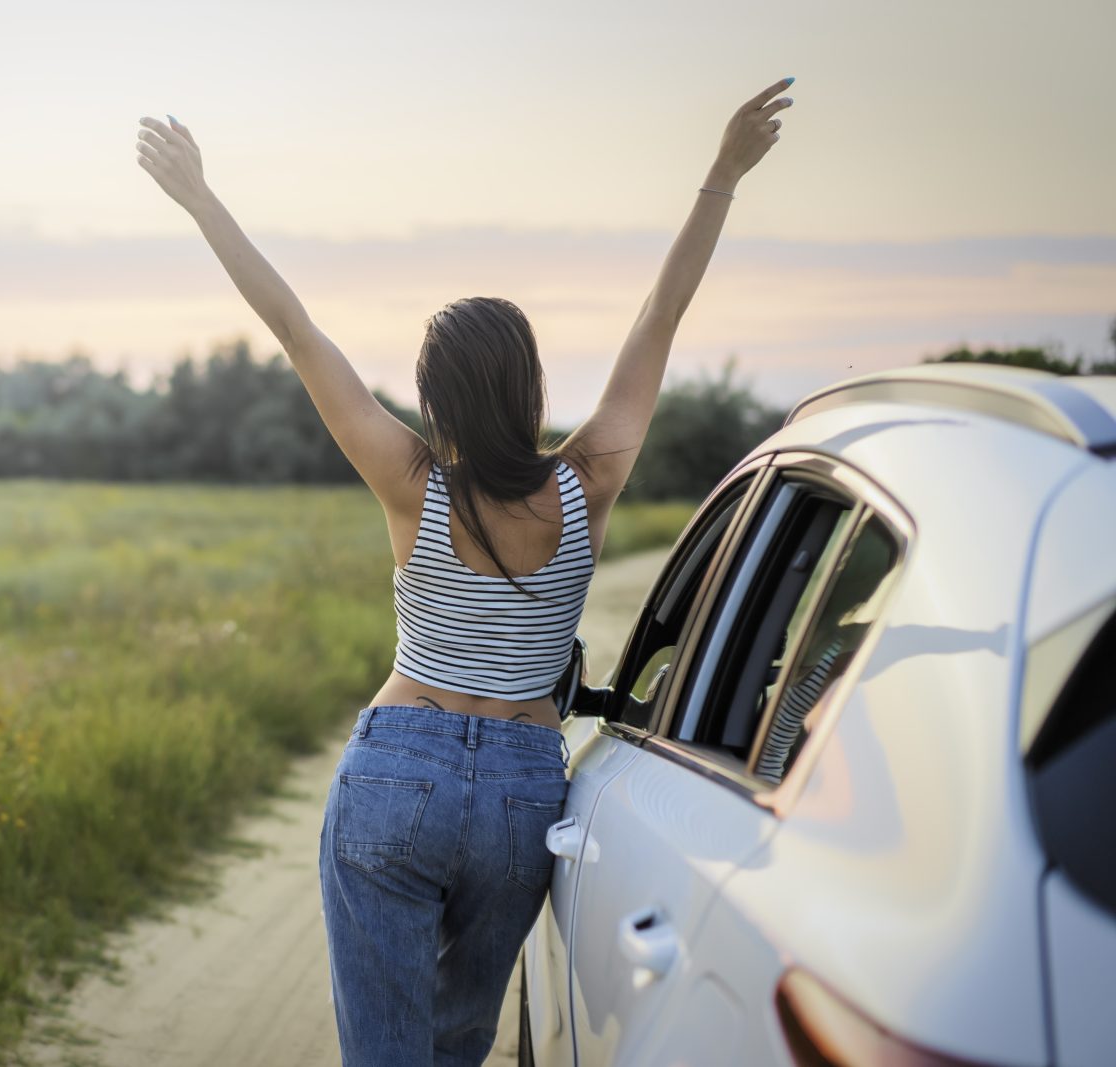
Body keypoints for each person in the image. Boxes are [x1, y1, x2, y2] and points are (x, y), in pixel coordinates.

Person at [135, 75, 794, 1066]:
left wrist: (199, 199)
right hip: (523, 794)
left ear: (430, 395)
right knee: (454, 1047)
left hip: (397, 766)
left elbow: (294, 328)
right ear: (529, 385)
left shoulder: (410, 481)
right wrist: (722, 174)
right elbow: (658, 319)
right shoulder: (589, 482)